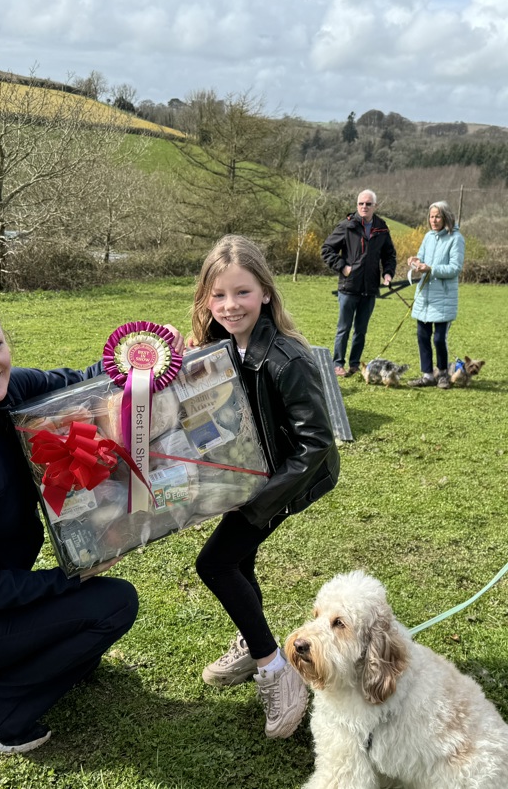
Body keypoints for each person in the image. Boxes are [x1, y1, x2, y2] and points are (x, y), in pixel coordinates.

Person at [0, 267, 175, 754]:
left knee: (81, 645)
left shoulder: (9, 391)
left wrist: (147, 366)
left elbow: (78, 384)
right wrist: (71, 580)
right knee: (112, 604)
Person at [190, 235, 341, 738]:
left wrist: (260, 503)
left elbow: (316, 442)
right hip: (245, 473)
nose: (230, 305)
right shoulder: (220, 346)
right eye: (218, 295)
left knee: (214, 562)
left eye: (242, 293)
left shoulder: (286, 357)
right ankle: (249, 638)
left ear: (266, 295)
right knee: (239, 562)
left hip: (282, 480)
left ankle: (275, 670)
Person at [321, 189, 397, 377]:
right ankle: (338, 364)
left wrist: (388, 274)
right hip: (349, 287)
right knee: (344, 328)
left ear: (375, 206)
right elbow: (327, 249)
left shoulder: (382, 228)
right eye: (361, 203)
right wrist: (342, 266)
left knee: (361, 331)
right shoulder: (347, 226)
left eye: (368, 204)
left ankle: (355, 364)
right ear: (357, 206)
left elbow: (389, 255)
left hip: (369, 289)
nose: (364, 207)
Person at [405, 200, 466, 389]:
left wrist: (431, 268)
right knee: (422, 336)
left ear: (446, 217)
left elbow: (455, 268)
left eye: (437, 216)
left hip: (444, 297)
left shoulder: (456, 239)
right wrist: (415, 262)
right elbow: (421, 257)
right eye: (431, 216)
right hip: (424, 296)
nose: (434, 220)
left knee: (439, 338)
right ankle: (427, 375)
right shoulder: (428, 237)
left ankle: (442, 374)